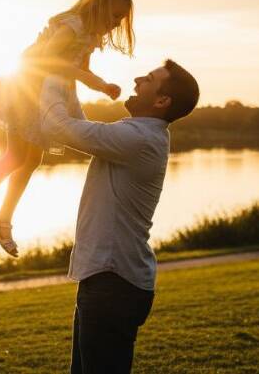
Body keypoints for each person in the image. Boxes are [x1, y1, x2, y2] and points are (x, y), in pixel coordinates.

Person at [41, 60, 200, 374]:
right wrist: (70, 77)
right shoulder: (138, 135)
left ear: (161, 101)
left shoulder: (138, 138)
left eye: (149, 79)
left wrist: (49, 74)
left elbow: (57, 126)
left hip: (113, 284)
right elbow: (78, 126)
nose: (138, 79)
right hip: (109, 280)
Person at [0, 0, 135, 256]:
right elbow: (48, 61)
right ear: (98, 6)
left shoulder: (90, 35)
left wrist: (101, 84)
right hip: (26, 88)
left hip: (50, 93)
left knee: (32, 159)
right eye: (114, 16)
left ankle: (2, 219)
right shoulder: (71, 26)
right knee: (16, 155)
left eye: (121, 19)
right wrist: (94, 83)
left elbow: (80, 69)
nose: (116, 23)